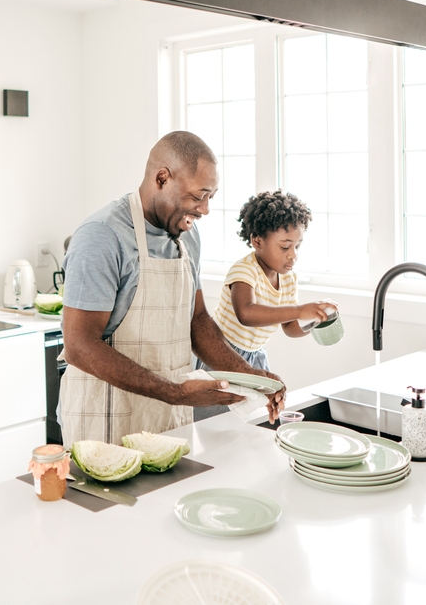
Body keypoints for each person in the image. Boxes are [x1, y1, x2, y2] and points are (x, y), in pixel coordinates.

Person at [59, 131, 287, 445]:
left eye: (211, 197)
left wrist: (248, 375)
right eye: (198, 196)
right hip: (105, 425)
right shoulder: (101, 236)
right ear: (162, 178)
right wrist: (174, 393)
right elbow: (79, 345)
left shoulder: (187, 237)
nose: (205, 209)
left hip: (169, 423)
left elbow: (197, 322)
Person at [194, 190, 335, 419]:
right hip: (222, 354)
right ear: (257, 241)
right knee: (211, 420)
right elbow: (246, 313)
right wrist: (300, 309)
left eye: (297, 246)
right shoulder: (244, 271)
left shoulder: (288, 278)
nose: (293, 255)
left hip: (255, 355)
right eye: (285, 247)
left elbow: (289, 327)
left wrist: (314, 321)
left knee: (250, 420)